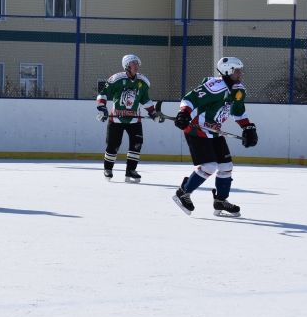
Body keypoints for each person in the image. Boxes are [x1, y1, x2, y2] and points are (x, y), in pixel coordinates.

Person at [172, 56, 258, 216]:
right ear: (227, 71)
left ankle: (220, 201)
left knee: (226, 167)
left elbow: (238, 111)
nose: (240, 73)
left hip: (214, 132)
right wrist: (183, 113)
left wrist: (247, 127)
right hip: (196, 130)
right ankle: (182, 193)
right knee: (209, 166)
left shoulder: (239, 90)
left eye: (240, 70)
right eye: (237, 70)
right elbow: (189, 99)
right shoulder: (214, 87)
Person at [96, 54, 164, 182]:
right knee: (113, 145)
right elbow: (103, 94)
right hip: (116, 119)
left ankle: (131, 171)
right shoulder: (116, 79)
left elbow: (145, 100)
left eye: (137, 63)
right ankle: (108, 169)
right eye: (134, 63)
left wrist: (153, 113)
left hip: (134, 120)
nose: (137, 66)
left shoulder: (142, 82)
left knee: (137, 144)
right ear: (127, 65)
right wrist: (102, 108)